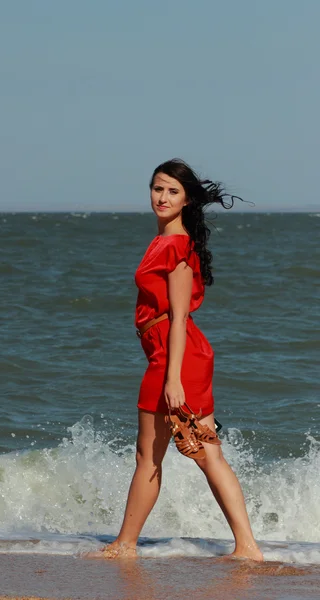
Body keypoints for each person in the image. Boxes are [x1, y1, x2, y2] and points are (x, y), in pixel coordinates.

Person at [102, 159, 263, 561]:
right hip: (177, 354)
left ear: (187, 198)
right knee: (208, 453)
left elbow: (176, 319)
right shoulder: (166, 239)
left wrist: (172, 378)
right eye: (158, 188)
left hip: (174, 359)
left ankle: (124, 545)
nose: (163, 197)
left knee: (150, 456)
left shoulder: (175, 246)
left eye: (173, 191)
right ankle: (247, 547)